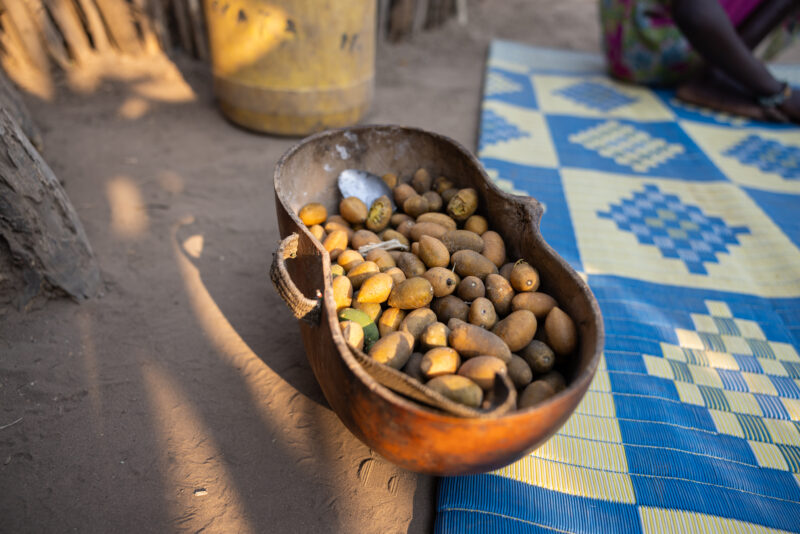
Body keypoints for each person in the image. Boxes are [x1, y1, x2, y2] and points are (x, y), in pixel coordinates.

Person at [600, 0, 800, 123]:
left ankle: (719, 71)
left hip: (624, 47)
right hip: (662, 44)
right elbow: (694, 13)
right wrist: (778, 93)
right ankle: (715, 75)